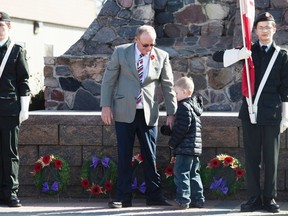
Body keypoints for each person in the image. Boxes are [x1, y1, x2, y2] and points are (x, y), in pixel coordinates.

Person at [212, 12, 288, 213]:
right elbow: (217, 57)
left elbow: (285, 89)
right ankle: (253, 198)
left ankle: (269, 199)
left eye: (268, 26)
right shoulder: (248, 50)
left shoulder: (282, 55)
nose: (264, 30)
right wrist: (239, 54)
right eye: (261, 27)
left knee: (271, 159)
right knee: (252, 158)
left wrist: (285, 116)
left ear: (274, 29)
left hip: (272, 114)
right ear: (255, 30)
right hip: (250, 113)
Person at [100, 25, 177, 208]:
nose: (149, 48)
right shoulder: (121, 52)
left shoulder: (162, 56)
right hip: (124, 111)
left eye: (152, 44)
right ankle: (123, 197)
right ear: (136, 40)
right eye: (145, 45)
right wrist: (105, 106)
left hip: (148, 112)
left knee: (150, 156)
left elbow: (168, 85)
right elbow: (108, 80)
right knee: (124, 155)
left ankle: (154, 196)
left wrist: (171, 112)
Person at [0, 12, 31, 207]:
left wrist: (24, 107)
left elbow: (23, 80)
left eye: (2, 25)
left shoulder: (16, 49)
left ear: (9, 27)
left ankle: (10, 193)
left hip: (9, 109)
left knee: (10, 153)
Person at [161, 77, 205, 210]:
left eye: (177, 93)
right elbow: (185, 126)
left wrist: (172, 143)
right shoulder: (193, 107)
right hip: (194, 148)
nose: (175, 96)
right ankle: (198, 199)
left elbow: (182, 129)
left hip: (184, 148)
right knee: (193, 174)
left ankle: (183, 200)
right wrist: (168, 130)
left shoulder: (183, 107)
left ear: (185, 92)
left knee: (181, 173)